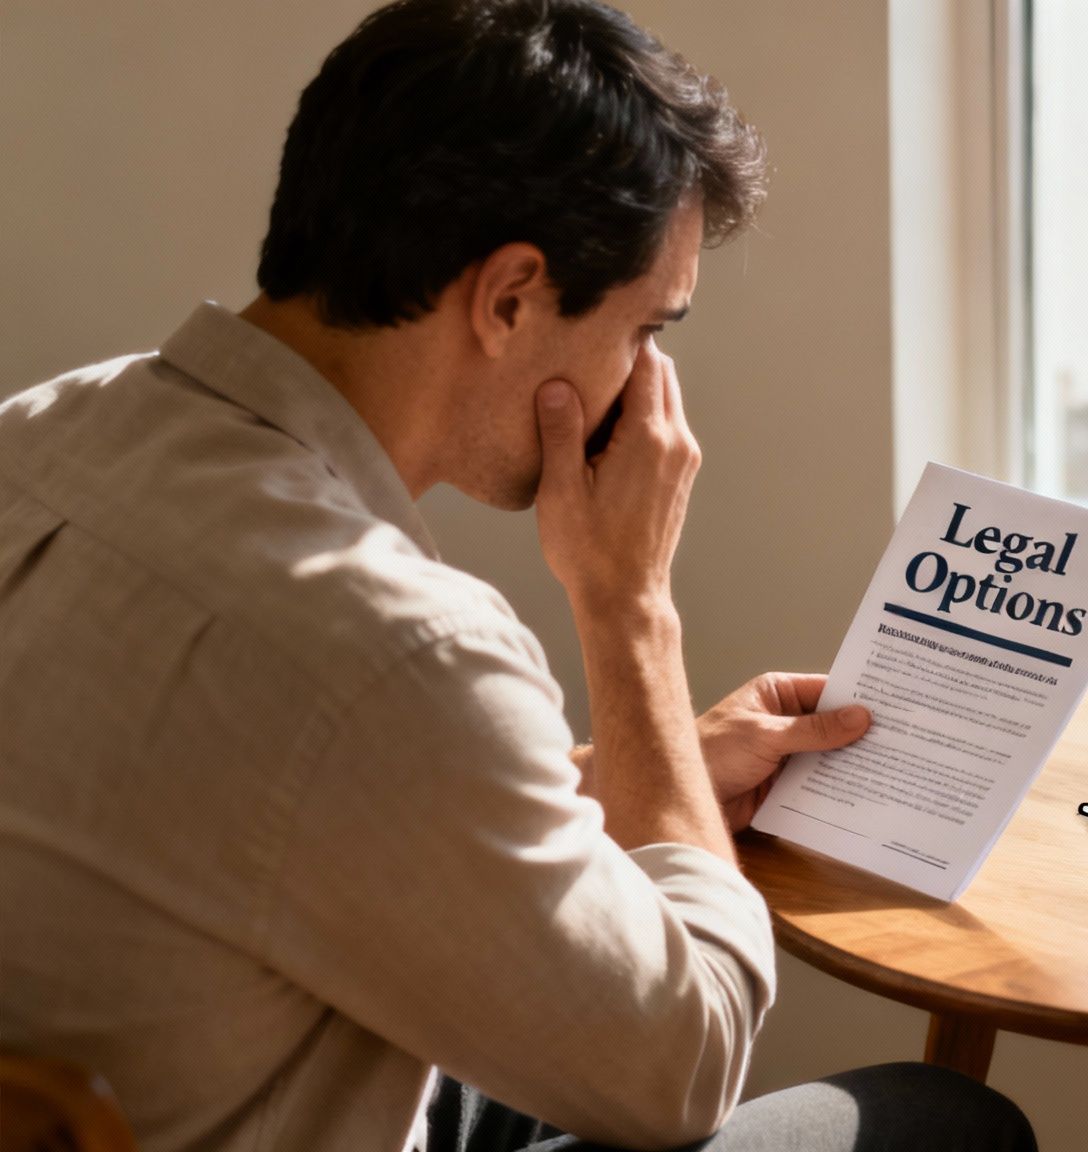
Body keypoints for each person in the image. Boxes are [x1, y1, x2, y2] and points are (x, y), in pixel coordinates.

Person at [0, 1, 1034, 1150]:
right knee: (941, 1123)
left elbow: (297, 805)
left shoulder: (41, 432)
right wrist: (629, 606)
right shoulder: (391, 645)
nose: (645, 382)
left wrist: (653, 770)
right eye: (645, 328)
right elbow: (681, 1064)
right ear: (509, 296)